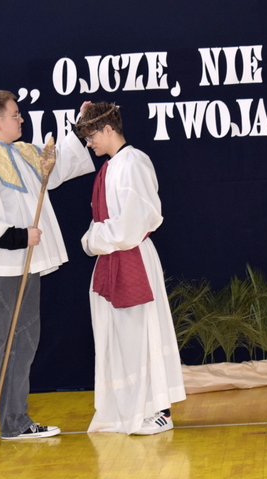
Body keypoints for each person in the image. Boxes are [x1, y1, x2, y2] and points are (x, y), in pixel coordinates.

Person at [0, 90, 95, 451]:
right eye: (15, 114)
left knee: (24, 341)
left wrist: (79, 128)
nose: (21, 119)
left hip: (25, 265)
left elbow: (57, 168)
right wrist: (19, 236)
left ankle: (15, 422)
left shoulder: (25, 153)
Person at [76, 101, 186, 435]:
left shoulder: (133, 162)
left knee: (142, 334)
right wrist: (97, 239)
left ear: (109, 129)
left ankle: (159, 411)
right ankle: (126, 410)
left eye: (91, 135)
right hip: (114, 258)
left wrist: (91, 239)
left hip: (131, 256)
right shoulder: (112, 166)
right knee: (120, 338)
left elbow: (131, 225)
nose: (89, 143)